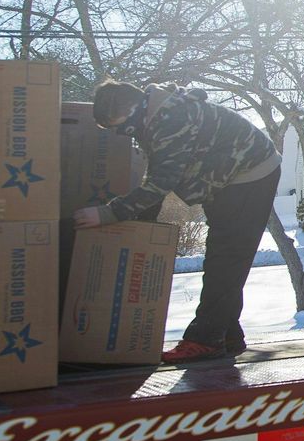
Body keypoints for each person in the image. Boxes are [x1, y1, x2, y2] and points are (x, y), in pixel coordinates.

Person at [73, 80, 281, 364]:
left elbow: (161, 182)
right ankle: (227, 333)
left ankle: (205, 340)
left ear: (132, 110)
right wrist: (139, 228)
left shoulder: (171, 121)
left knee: (227, 256)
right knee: (223, 256)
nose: (121, 133)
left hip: (249, 175)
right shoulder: (155, 115)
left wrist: (108, 214)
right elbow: (158, 172)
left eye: (119, 126)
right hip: (227, 176)